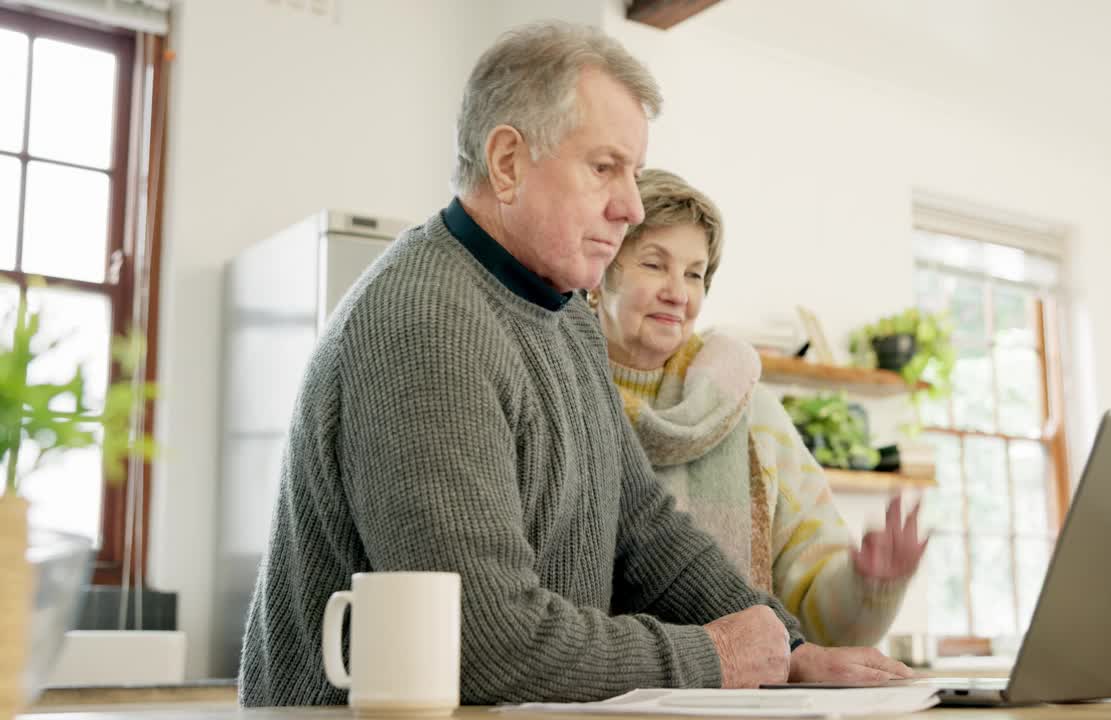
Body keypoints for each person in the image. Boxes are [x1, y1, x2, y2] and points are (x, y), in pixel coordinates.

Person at [238, 22, 910, 708]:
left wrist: (791, 653)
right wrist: (712, 657)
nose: (633, 206)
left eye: (636, 174)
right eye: (604, 168)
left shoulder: (567, 320)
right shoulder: (426, 323)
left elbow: (646, 533)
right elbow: (487, 644)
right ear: (507, 162)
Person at [591, 168, 929, 647]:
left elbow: (817, 623)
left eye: (694, 273)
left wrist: (870, 586)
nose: (678, 291)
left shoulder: (750, 412)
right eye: (653, 264)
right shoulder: (563, 395)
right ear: (600, 271)